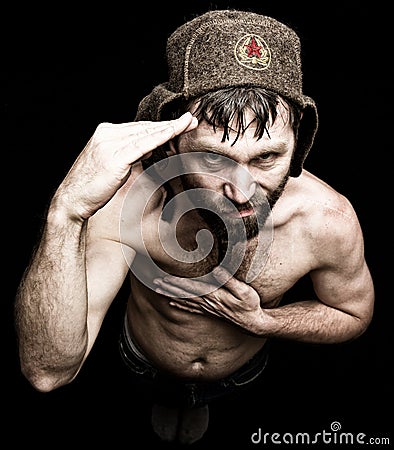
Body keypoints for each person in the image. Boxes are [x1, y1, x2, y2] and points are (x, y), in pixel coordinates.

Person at [14, 9, 375, 445]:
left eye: (266, 159)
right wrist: (66, 211)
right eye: (212, 159)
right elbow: (48, 372)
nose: (241, 192)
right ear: (169, 141)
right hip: (141, 360)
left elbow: (353, 314)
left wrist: (265, 322)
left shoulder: (327, 219)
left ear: (299, 143)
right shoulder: (122, 204)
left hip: (240, 374)